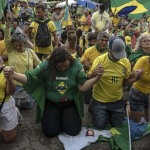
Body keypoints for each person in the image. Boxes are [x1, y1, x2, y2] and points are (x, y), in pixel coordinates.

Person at [4, 48, 102, 137]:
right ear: (54, 63)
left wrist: (97, 78)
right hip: (51, 103)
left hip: (69, 103)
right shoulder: (46, 65)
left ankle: (64, 118)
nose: (63, 68)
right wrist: (14, 74)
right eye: (60, 66)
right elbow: (30, 78)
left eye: (66, 66)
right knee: (50, 132)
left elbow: (82, 87)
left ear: (69, 61)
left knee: (73, 132)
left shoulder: (76, 65)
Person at [87, 37, 143, 129]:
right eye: (116, 54)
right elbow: (89, 78)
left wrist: (135, 79)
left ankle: (109, 112)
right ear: (109, 50)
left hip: (116, 100)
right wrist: (94, 73)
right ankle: (93, 104)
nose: (119, 58)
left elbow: (124, 82)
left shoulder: (125, 62)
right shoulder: (100, 60)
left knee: (117, 124)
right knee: (100, 125)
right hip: (100, 100)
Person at [5, 11, 41, 109]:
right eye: (16, 45)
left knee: (28, 107)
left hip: (27, 84)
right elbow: (7, 38)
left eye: (20, 45)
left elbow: (39, 64)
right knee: (16, 107)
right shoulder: (11, 51)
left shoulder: (30, 52)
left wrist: (35, 75)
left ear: (25, 44)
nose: (18, 47)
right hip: (14, 85)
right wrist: (8, 24)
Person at [80, 31, 109, 104]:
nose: (104, 42)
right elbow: (82, 62)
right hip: (90, 78)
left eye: (106, 41)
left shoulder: (109, 52)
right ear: (97, 40)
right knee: (87, 101)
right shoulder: (89, 50)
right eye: (102, 40)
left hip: (104, 80)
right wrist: (85, 65)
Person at [0, 63, 18, 142]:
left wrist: (10, 79)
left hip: (5, 103)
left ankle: (16, 112)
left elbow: (10, 92)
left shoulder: (6, 71)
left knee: (9, 139)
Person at [129, 56, 149, 123]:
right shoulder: (143, 60)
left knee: (148, 119)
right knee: (136, 121)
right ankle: (128, 107)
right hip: (138, 93)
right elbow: (131, 75)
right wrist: (137, 73)